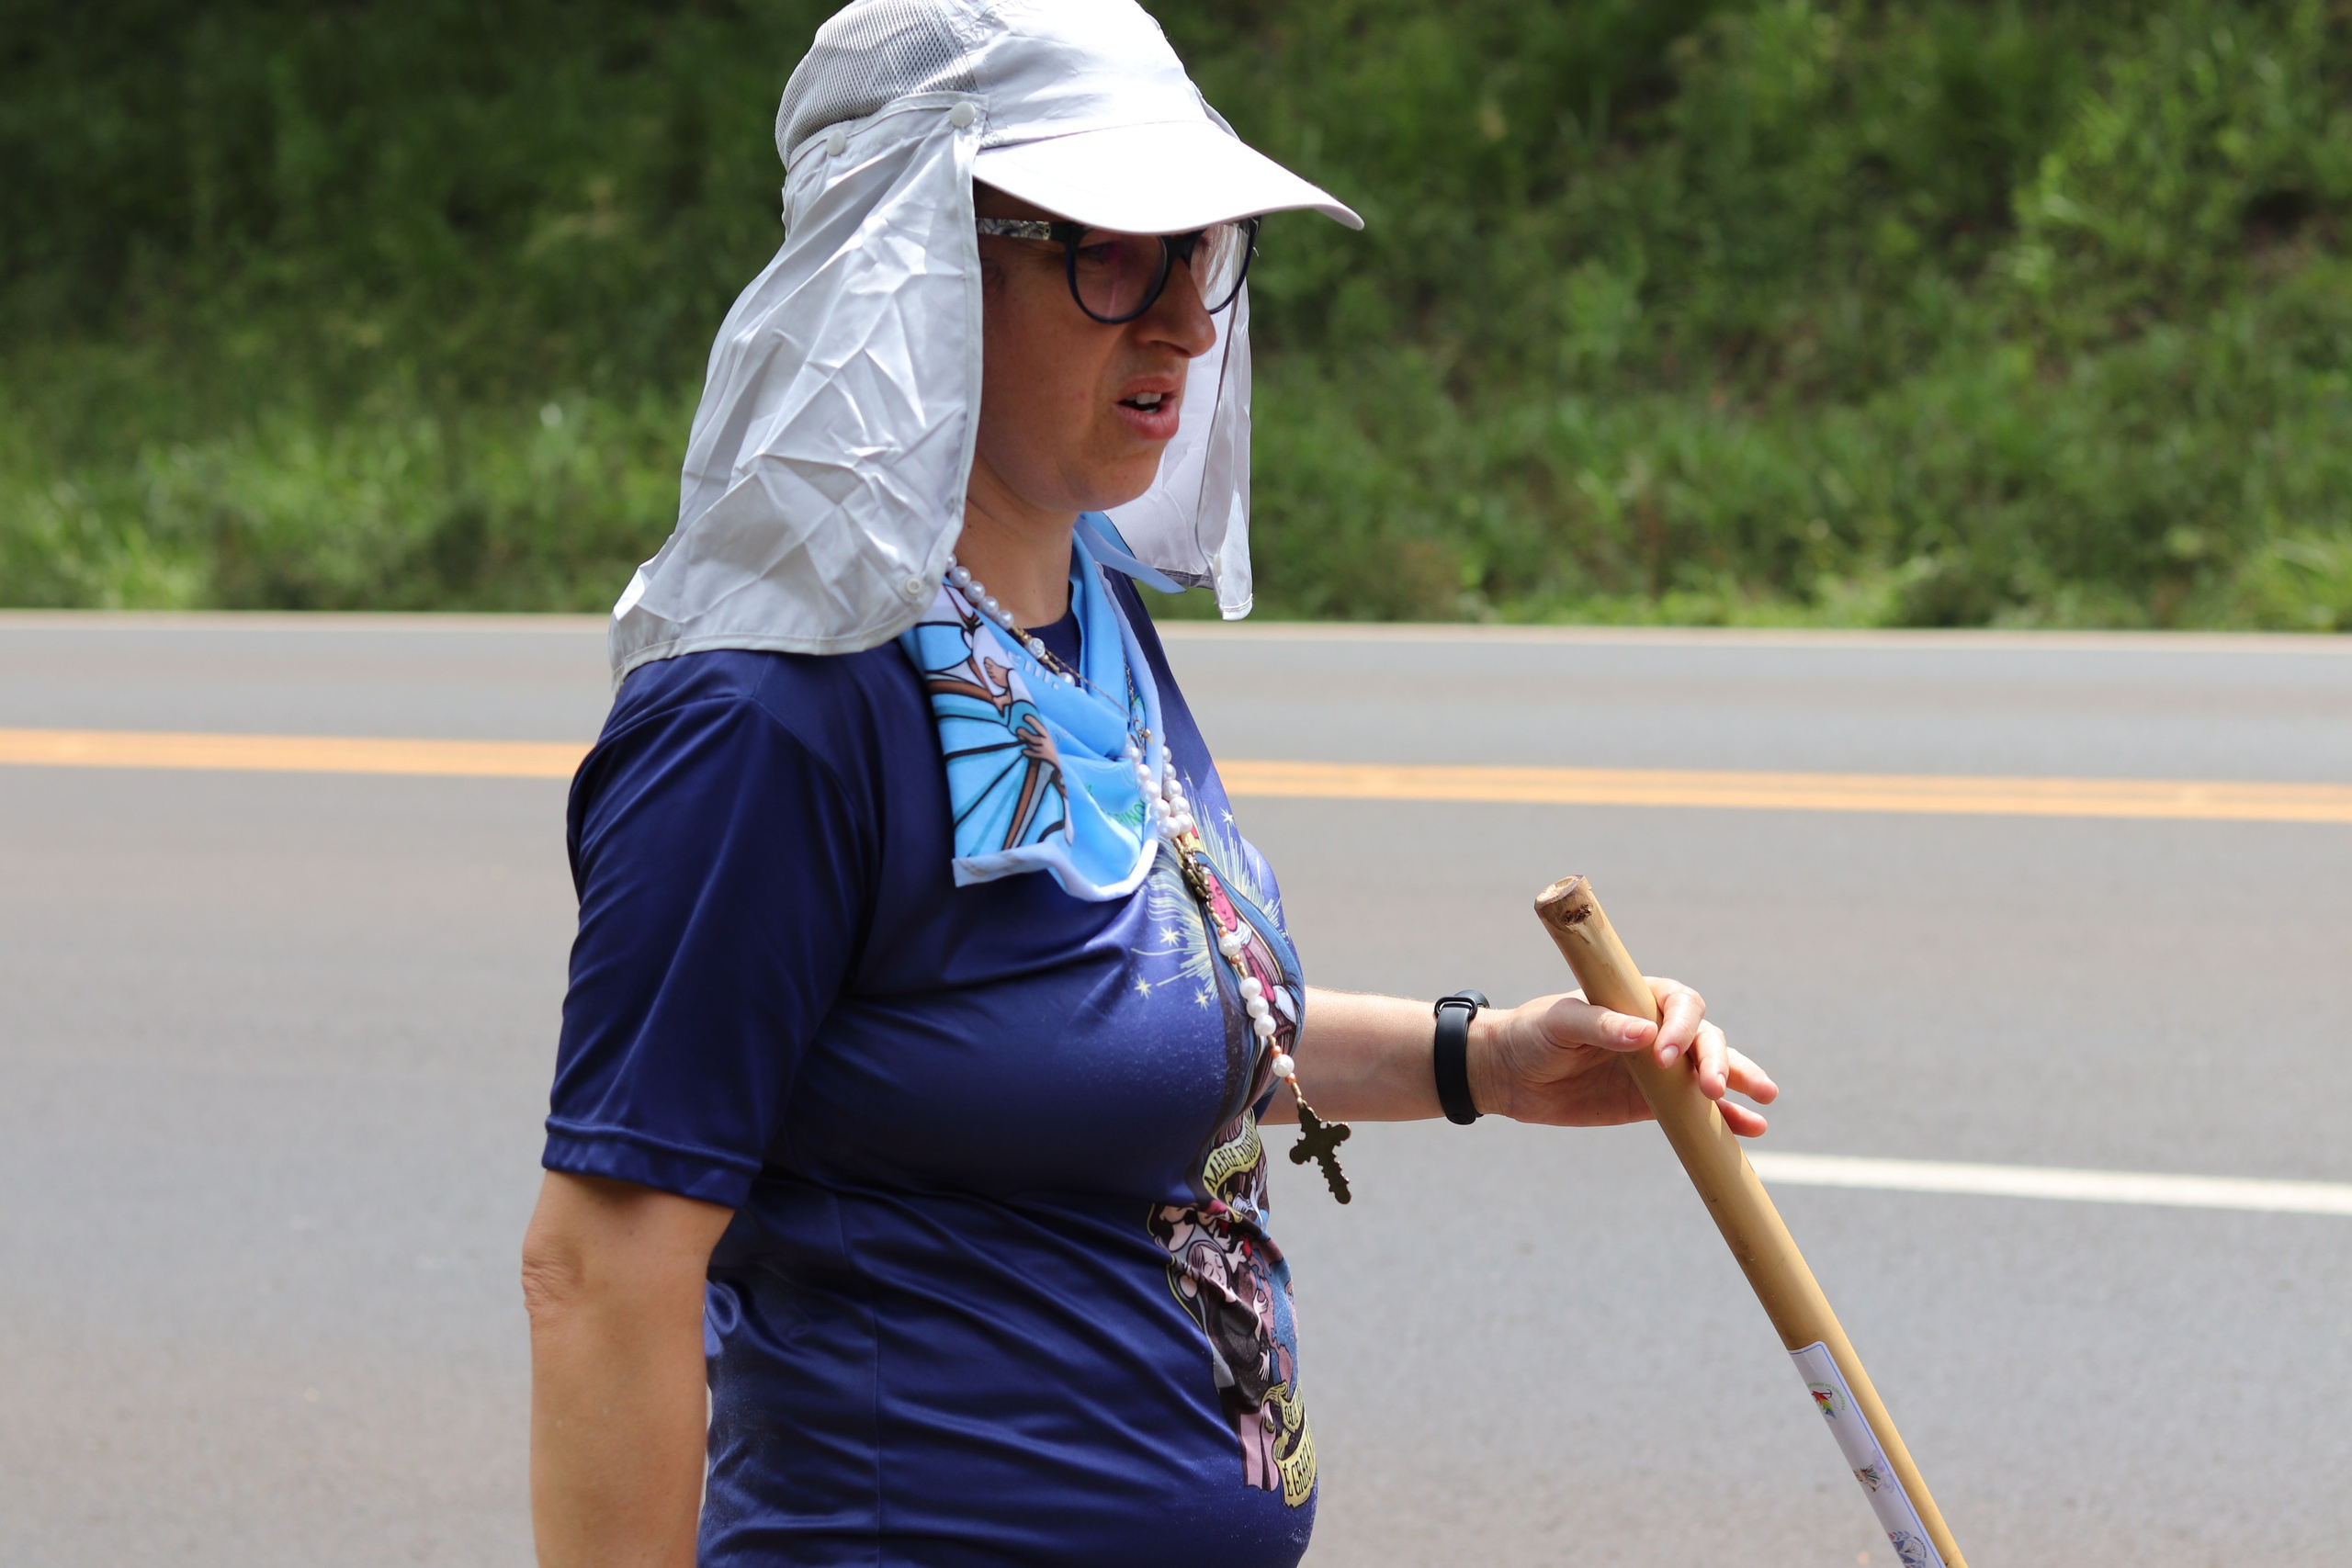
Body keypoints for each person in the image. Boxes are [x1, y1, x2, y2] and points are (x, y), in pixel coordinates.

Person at [519, 3, 1778, 1565]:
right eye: (1115, 254)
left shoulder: (1080, 609)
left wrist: (1492, 1060)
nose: (1185, 322)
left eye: (1206, 253)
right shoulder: (770, 720)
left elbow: (1113, 1015)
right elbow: (604, 1263)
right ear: (914, 258)